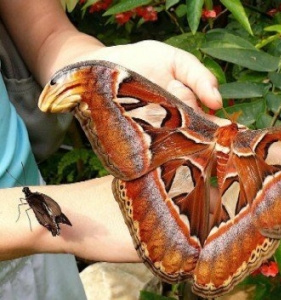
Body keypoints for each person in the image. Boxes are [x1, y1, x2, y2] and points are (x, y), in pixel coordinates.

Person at [0, 0, 222, 298]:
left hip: (46, 246)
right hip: (51, 227)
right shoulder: (56, 224)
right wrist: (74, 216)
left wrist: (99, 74)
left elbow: (47, 33)